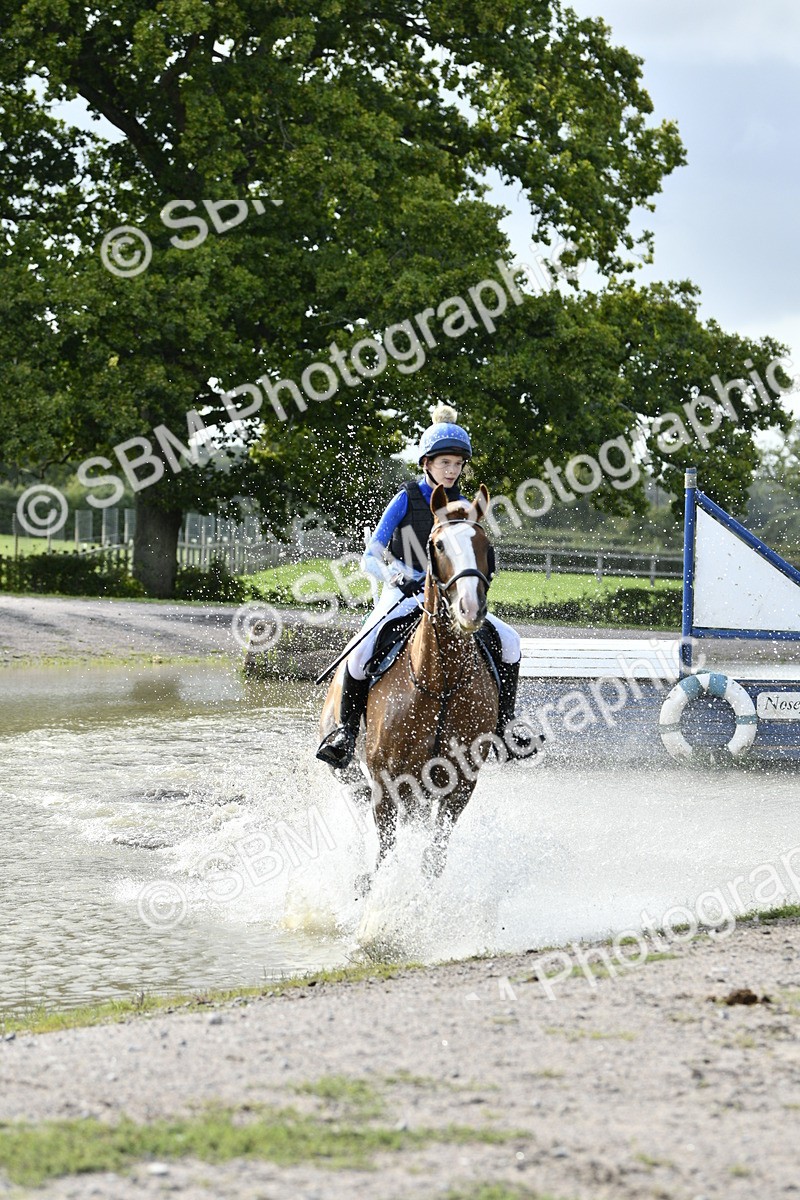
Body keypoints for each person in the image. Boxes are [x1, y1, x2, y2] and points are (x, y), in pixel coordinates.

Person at [316, 405, 535, 768]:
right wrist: (393, 575)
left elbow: (474, 556)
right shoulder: (406, 498)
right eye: (444, 463)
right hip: (401, 591)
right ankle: (346, 732)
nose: (452, 471)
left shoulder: (465, 507)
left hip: (449, 595)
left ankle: (504, 723)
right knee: (359, 652)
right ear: (427, 464)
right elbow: (371, 554)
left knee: (510, 641)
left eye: (457, 464)